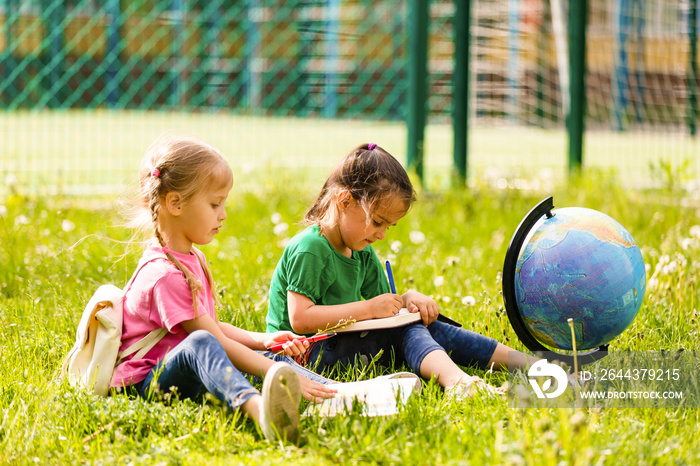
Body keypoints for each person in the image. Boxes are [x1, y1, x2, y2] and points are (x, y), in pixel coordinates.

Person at [265, 143, 538, 399]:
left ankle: (529, 364)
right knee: (409, 330)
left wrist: (406, 300)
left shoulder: (361, 250)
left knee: (424, 325)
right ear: (345, 200)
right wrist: (369, 309)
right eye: (377, 221)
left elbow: (388, 314)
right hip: (303, 356)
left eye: (389, 227)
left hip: (341, 344)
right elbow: (300, 319)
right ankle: (458, 381)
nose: (382, 234)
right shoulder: (311, 248)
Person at [112, 135, 335, 443]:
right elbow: (210, 339)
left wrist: (264, 339)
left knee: (270, 356)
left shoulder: (191, 259)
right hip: (148, 385)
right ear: (174, 203)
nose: (223, 214)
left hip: (187, 371)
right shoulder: (164, 275)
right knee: (204, 344)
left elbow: (213, 325)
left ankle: (337, 394)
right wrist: (266, 367)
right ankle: (259, 410)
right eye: (214, 204)